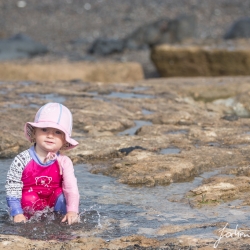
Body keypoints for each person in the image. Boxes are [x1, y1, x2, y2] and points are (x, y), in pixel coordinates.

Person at [5, 102, 80, 225]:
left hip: (54, 201)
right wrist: (17, 212)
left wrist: (72, 211)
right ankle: (28, 225)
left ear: (65, 140)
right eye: (44, 129)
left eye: (57, 132)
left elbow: (71, 189)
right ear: (34, 132)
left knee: (62, 197)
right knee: (29, 198)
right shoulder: (22, 159)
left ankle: (60, 225)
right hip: (29, 202)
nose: (50, 135)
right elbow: (12, 187)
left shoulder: (64, 162)